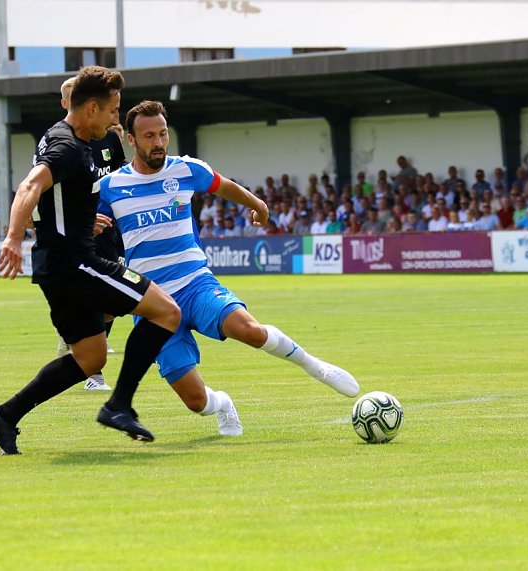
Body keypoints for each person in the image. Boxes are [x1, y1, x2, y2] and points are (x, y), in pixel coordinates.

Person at [95, 100, 359, 438]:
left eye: (163, 134)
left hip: (195, 285)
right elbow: (77, 220)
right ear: (131, 140)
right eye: (149, 136)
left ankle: (315, 366)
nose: (158, 143)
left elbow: (224, 185)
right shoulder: (110, 187)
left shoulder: (186, 169)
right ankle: (223, 404)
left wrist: (258, 205)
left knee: (249, 330)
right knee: (196, 402)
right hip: (152, 303)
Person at [0, 67, 181, 455]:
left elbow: (54, 196)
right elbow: (30, 186)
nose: (113, 120)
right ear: (92, 108)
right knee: (167, 312)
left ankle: (5, 415)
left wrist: (78, 220)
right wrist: (12, 238)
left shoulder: (63, 135)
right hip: (75, 264)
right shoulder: (67, 148)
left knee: (90, 357)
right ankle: (119, 405)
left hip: (57, 266)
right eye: (111, 111)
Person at [54, 77, 128, 390]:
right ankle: (92, 374)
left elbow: (124, 179)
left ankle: (72, 340)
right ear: (65, 103)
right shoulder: (60, 143)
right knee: (97, 295)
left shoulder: (109, 139)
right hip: (77, 237)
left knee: (114, 302)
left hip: (110, 231)